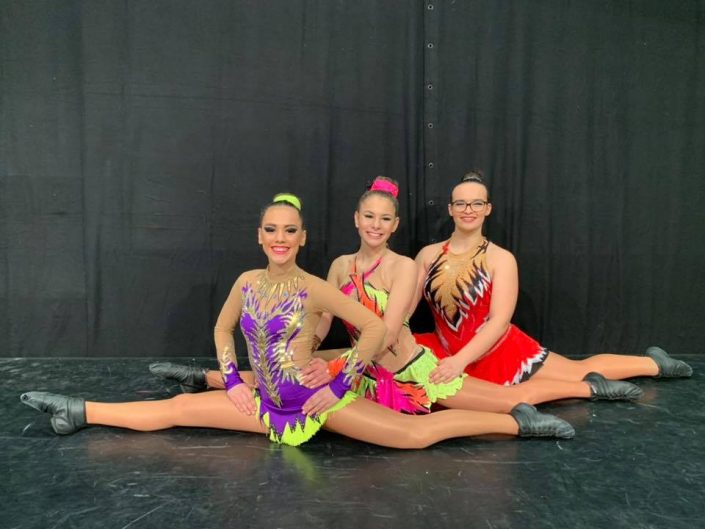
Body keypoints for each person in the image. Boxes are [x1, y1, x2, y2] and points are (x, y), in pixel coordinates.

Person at [20, 192, 575, 447]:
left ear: (302, 237)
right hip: (268, 403)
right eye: (272, 230)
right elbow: (222, 329)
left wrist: (337, 380)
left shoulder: (316, 284)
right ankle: (80, 410)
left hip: (321, 399)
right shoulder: (247, 281)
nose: (280, 238)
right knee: (178, 410)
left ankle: (519, 423)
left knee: (413, 436)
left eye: (290, 231)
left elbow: (379, 329)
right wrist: (231, 380)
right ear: (259, 236)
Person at [152, 178, 641, 415]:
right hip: (367, 368)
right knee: (292, 365)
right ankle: (209, 379)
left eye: (385, 219)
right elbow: (322, 321)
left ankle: (592, 388)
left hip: (408, 368)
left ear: (395, 225)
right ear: (356, 220)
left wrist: (335, 369)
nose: (375, 225)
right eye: (369, 217)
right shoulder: (340, 266)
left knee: (512, 400)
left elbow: (386, 331)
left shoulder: (405, 266)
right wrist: (309, 350)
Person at [413, 170, 692, 387]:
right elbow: (405, 307)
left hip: (498, 350)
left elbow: (499, 321)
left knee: (579, 373)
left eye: (477, 203)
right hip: (444, 349)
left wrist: (460, 361)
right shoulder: (427, 255)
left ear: (488, 209)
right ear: (450, 209)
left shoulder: (501, 259)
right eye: (461, 203)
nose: (468, 210)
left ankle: (654, 364)